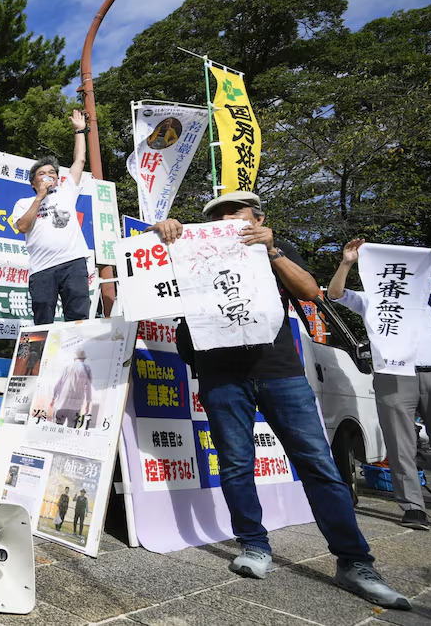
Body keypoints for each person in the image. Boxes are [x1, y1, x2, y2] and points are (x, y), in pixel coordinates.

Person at [148, 191, 410, 610]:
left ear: (258, 216)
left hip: (280, 371)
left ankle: (355, 561)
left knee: (318, 463)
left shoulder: (275, 246)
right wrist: (160, 235)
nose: (226, 218)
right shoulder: (187, 248)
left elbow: (310, 293)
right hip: (220, 374)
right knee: (235, 464)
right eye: (216, 214)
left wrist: (272, 251)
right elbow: (144, 275)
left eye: (235, 211)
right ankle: (254, 545)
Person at [328, 238, 431, 531]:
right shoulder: (374, 298)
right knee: (400, 444)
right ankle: (413, 507)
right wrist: (347, 262)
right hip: (393, 375)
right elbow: (335, 294)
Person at [10, 110, 90, 325]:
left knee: (78, 318)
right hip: (42, 268)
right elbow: (23, 226)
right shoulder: (24, 203)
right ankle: (45, 357)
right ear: (33, 183)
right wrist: (40, 197)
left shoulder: (66, 191)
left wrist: (79, 130)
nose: (49, 176)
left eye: (52, 173)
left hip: (72, 262)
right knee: (43, 321)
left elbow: (80, 160)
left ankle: (79, 357)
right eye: (42, 174)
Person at [49, 348, 92, 428]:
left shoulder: (68, 367)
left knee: (56, 427)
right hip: (76, 405)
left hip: (62, 402)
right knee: (71, 429)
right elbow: (88, 388)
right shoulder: (87, 369)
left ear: (74, 358)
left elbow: (59, 383)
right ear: (84, 359)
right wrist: (87, 404)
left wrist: (53, 399)